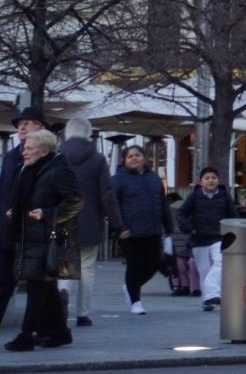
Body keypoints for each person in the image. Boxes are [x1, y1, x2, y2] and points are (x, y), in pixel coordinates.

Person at [5, 129, 84, 350]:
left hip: (46, 237)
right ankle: (59, 333)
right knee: (44, 286)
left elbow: (76, 200)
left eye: (29, 148)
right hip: (29, 235)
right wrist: (17, 211)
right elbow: (28, 199)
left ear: (44, 150)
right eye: (24, 148)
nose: (24, 152)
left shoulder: (58, 170)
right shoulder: (29, 169)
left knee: (37, 284)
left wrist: (48, 214)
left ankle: (26, 335)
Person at [57, 118, 120, 328]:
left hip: (62, 219)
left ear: (67, 133)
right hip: (90, 220)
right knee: (87, 267)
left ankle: (63, 293)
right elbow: (107, 194)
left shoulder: (56, 157)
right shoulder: (97, 159)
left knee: (65, 264)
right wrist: (117, 222)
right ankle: (83, 314)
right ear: (88, 133)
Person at [111, 145, 173, 314]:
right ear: (124, 160)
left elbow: (163, 204)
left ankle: (131, 287)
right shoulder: (118, 179)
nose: (134, 158)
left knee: (154, 264)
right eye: (130, 156)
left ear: (144, 158)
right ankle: (135, 302)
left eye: (137, 155)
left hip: (153, 230)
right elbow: (112, 206)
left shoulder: (153, 178)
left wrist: (168, 228)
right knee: (135, 266)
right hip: (130, 232)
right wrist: (119, 228)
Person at [0, 106, 46, 325]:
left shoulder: (50, 160)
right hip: (8, 230)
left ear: (40, 128)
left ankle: (53, 328)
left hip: (34, 231)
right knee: (4, 279)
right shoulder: (11, 157)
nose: (21, 127)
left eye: (27, 123)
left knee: (40, 284)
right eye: (19, 124)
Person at [177, 167, 236, 312]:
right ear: (201, 182)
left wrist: (231, 234)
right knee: (204, 271)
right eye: (207, 178)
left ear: (218, 180)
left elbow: (234, 215)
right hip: (199, 239)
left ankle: (213, 294)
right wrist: (190, 228)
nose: (211, 181)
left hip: (219, 237)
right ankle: (207, 301)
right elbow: (181, 214)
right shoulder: (194, 197)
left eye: (213, 178)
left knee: (220, 263)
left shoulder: (225, 196)